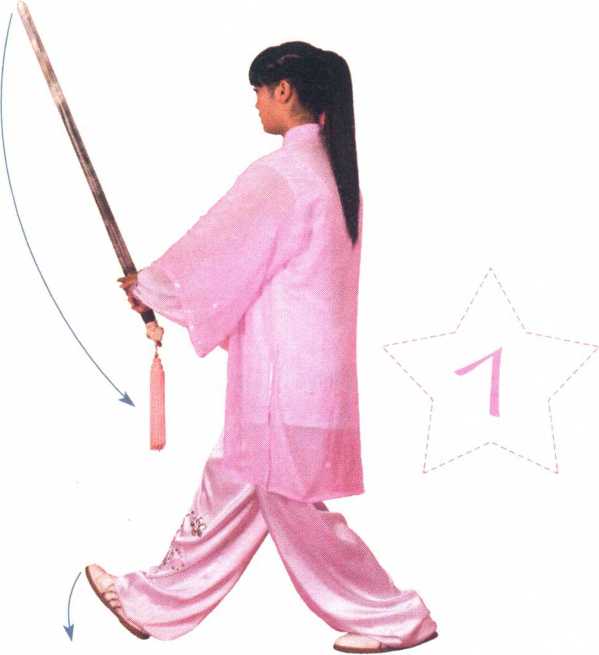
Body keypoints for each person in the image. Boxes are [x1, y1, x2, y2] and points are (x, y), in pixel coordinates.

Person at [85, 41, 439, 653]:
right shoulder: (336, 177)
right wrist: (156, 289)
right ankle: (152, 603)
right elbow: (253, 267)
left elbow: (219, 252)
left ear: (283, 90)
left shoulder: (283, 175)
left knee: (293, 508)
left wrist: (152, 287)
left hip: (280, 383)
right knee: (231, 485)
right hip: (304, 380)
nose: (254, 104)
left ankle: (396, 617)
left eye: (257, 91)